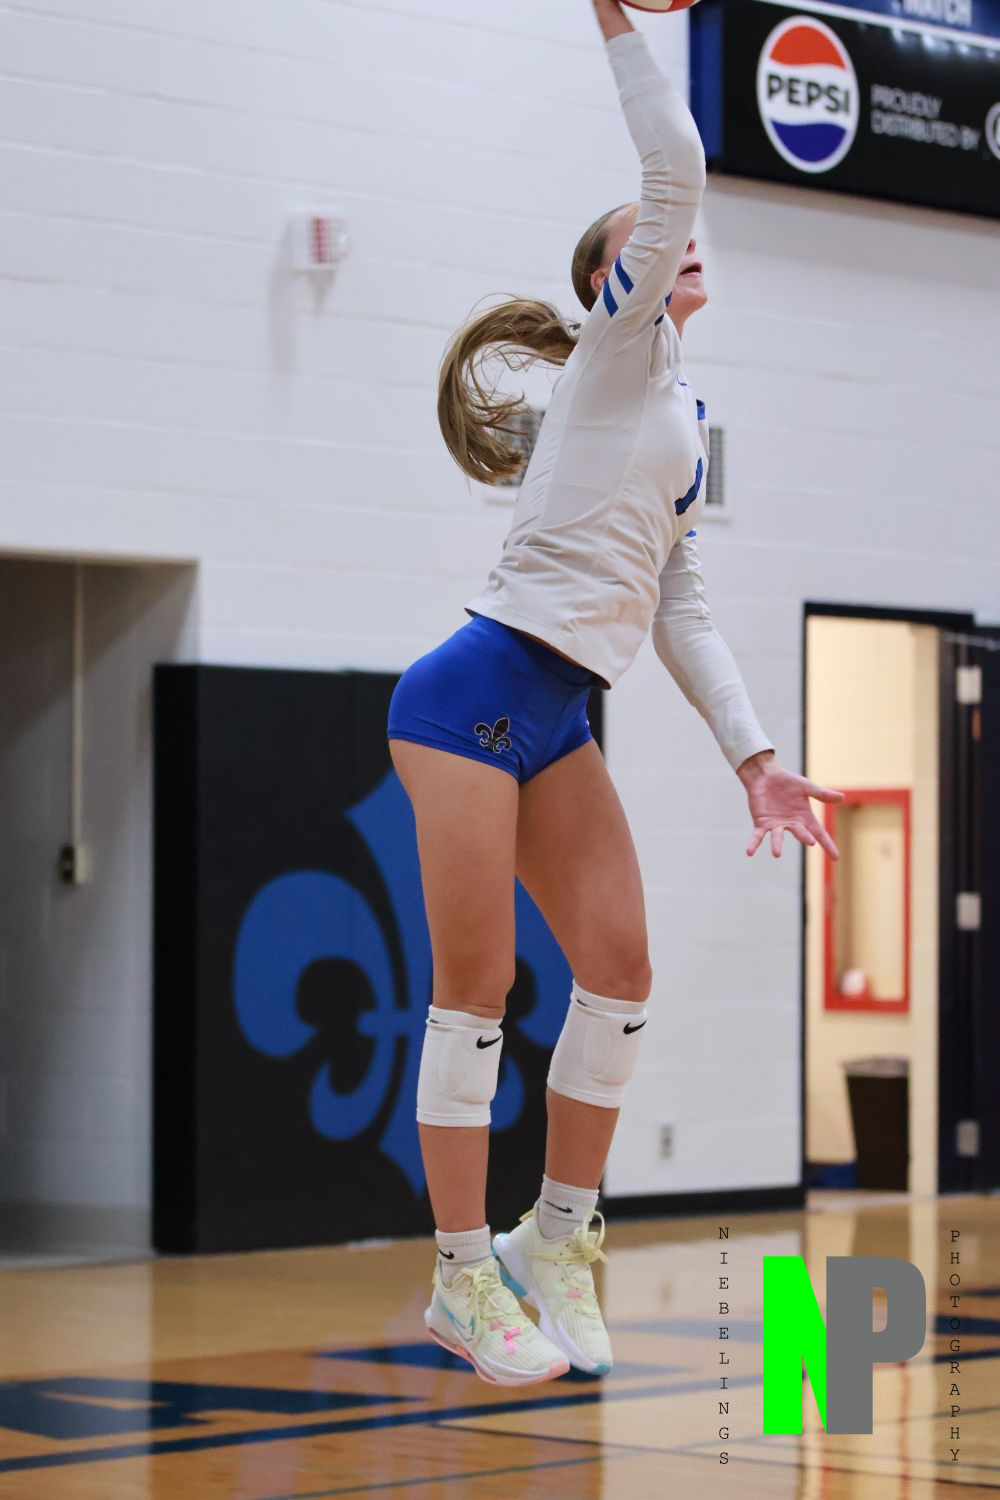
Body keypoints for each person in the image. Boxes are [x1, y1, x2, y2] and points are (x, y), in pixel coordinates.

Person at [386, 0, 843, 1388]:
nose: (684, 239)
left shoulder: (682, 420)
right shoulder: (620, 344)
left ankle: (555, 1235)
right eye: (651, 236)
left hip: (560, 710)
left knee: (621, 972)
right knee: (476, 992)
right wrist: (614, 15)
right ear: (615, 278)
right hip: (470, 695)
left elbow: (679, 605)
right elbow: (676, 165)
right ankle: (460, 1275)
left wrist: (756, 758)